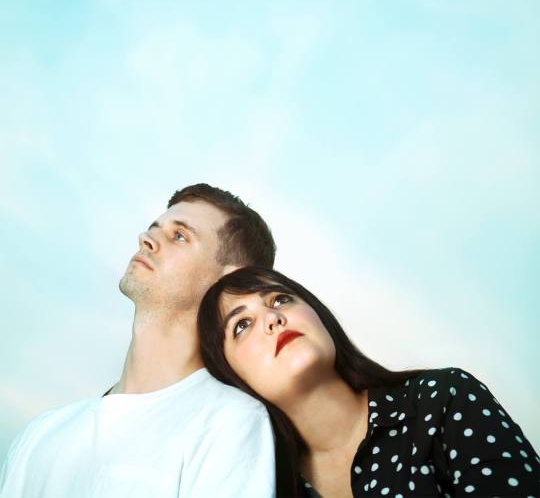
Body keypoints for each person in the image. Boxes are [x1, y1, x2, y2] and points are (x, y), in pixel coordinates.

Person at [0, 184, 278, 498]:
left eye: (180, 236)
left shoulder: (230, 422)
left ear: (230, 279)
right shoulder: (41, 434)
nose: (146, 239)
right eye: (153, 229)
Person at [198, 266, 540, 498]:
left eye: (280, 299)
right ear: (230, 374)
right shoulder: (261, 484)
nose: (272, 317)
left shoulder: (442, 401)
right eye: (241, 325)